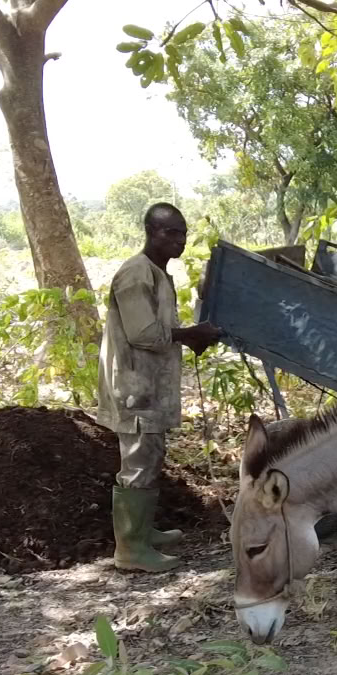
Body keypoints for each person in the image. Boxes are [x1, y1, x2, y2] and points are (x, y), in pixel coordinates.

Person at [97, 202, 222, 572]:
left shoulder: (158, 274)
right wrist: (190, 335)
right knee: (137, 462)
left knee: (150, 456)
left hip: (148, 385)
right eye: (171, 232)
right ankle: (130, 549)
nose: (179, 240)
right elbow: (144, 333)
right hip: (134, 386)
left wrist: (191, 334)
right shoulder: (136, 273)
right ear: (151, 233)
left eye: (183, 233)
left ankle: (142, 532)